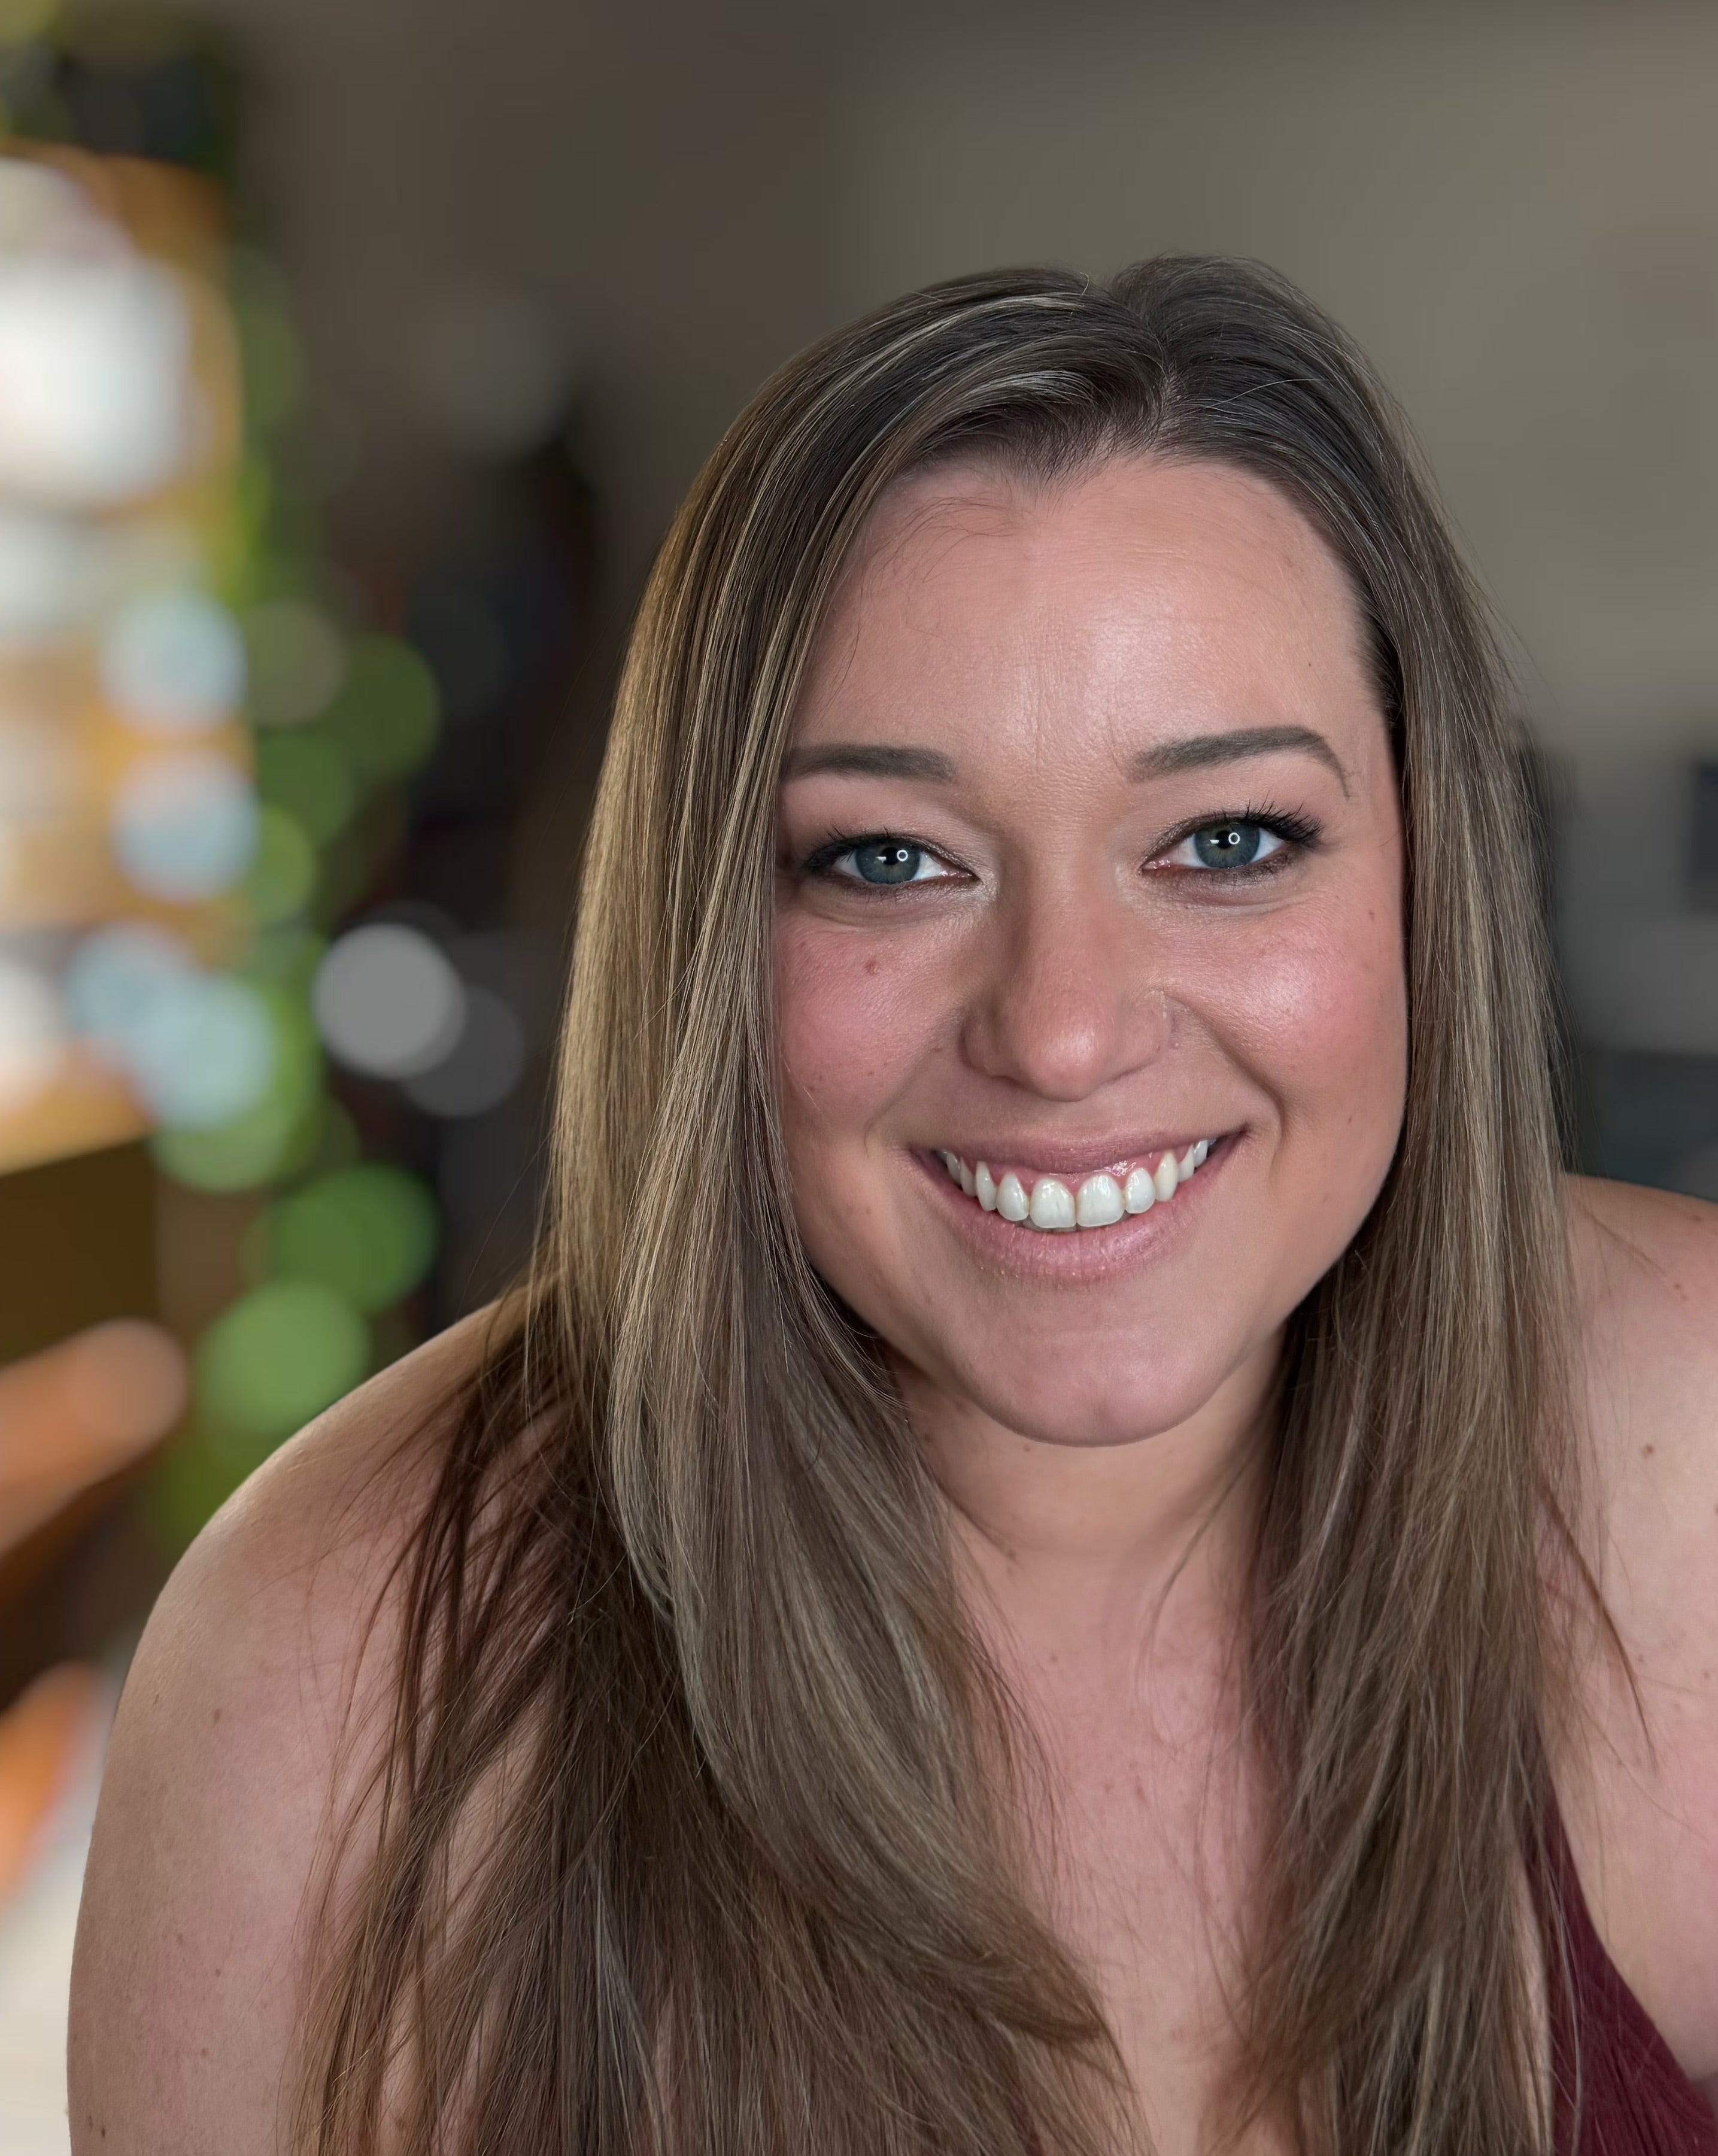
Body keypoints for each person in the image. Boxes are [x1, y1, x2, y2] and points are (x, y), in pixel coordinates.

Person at [68, 257, 1718, 2156]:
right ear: (707, 930)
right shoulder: (332, 1680)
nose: (1067, 1026)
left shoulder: (1688, 1459)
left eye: (1229, 840)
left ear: (1428, 880)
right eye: (889, 859)